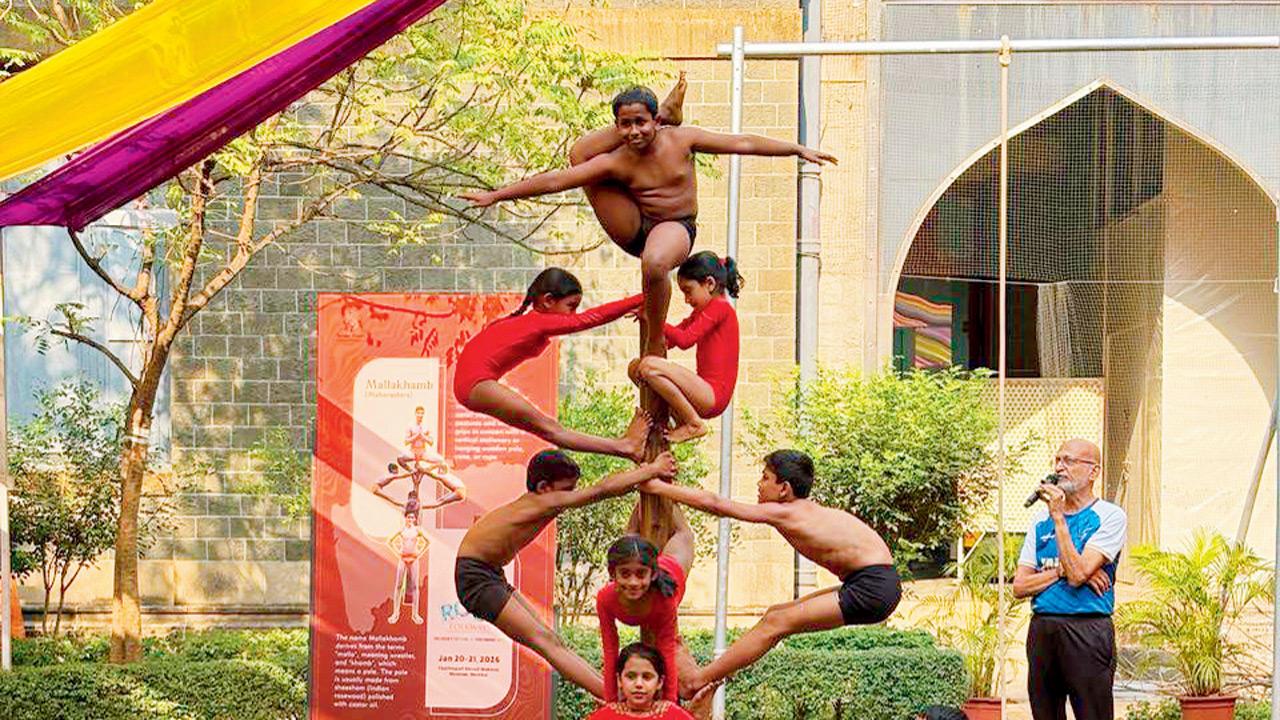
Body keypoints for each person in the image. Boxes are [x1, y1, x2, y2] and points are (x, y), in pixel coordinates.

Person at [461, 85, 836, 356]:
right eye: (625, 125)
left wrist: (796, 149)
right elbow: (557, 180)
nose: (634, 132)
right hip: (634, 229)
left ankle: (656, 336)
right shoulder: (619, 158)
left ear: (656, 122)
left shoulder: (682, 140)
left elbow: (743, 143)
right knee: (581, 160)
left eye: (642, 122)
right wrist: (497, 194)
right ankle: (637, 115)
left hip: (675, 227)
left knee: (656, 262)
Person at [639, 449, 900, 697]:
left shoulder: (786, 512)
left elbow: (718, 505)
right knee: (774, 615)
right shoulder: (802, 510)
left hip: (873, 586)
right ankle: (700, 677)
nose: (759, 484)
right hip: (873, 581)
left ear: (784, 489)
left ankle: (696, 680)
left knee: (777, 623)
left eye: (765, 478)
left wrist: (659, 488)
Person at [454, 449, 678, 700]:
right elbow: (601, 490)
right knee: (545, 643)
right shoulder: (541, 501)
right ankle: (617, 700)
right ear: (543, 487)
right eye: (567, 489)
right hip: (475, 578)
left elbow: (610, 489)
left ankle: (615, 695)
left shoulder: (543, 501)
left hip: (490, 573)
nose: (571, 496)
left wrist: (640, 483)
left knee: (551, 639)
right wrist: (652, 469)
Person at [453, 267, 650, 462]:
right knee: (550, 429)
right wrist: (646, 295)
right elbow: (590, 319)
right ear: (547, 301)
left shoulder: (525, 321)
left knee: (548, 429)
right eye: (571, 306)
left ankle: (626, 447)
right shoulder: (537, 322)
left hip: (471, 384)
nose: (573, 314)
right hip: (475, 384)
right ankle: (626, 446)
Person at [1013, 438, 1126, 720]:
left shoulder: (1109, 516)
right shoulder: (1039, 522)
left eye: (1070, 461)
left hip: (1086, 628)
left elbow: (1077, 577)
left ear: (1093, 472)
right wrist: (1061, 571)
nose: (1060, 467)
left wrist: (1059, 518)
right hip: (1043, 628)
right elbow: (1020, 586)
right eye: (1058, 460)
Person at [629, 251, 740, 443]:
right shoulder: (702, 311)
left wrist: (655, 319)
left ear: (710, 284)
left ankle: (693, 423)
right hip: (703, 393)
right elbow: (670, 341)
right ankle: (676, 419)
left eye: (688, 291)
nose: (687, 300)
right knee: (636, 367)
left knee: (648, 367)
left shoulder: (720, 308)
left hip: (712, 395)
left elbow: (685, 340)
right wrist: (650, 324)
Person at [596, 505, 695, 704]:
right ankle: (642, 493)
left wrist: (668, 702)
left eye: (640, 574)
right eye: (625, 574)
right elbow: (610, 650)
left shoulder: (665, 600)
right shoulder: (605, 599)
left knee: (684, 534)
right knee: (630, 537)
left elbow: (666, 648)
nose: (633, 582)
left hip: (673, 569)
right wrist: (611, 701)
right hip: (642, 565)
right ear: (612, 574)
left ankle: (664, 489)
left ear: (652, 573)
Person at [587, 643, 698, 720]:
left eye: (647, 677)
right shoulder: (607, 715)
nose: (638, 684)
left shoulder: (673, 715)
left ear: (659, 682)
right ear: (619, 680)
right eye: (631, 677)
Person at [385, 500, 429, 624]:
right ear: (405, 518)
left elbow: (427, 542)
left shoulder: (417, 530)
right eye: (408, 517)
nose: (410, 519)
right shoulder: (402, 530)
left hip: (414, 560)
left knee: (415, 586)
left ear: (415, 519)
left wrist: (419, 553)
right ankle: (395, 613)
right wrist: (398, 552)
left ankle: (415, 614)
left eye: (412, 517)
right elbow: (390, 542)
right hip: (403, 559)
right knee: (398, 585)